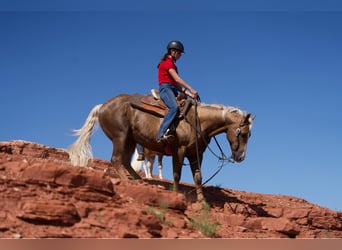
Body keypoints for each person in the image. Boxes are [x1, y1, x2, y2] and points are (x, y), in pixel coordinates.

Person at [156, 40, 198, 143]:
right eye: (179, 53)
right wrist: (191, 89)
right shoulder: (167, 62)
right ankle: (161, 133)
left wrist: (189, 94)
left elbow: (177, 85)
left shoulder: (173, 65)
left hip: (173, 88)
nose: (180, 56)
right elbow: (177, 79)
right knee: (174, 107)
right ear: (173, 51)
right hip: (166, 89)